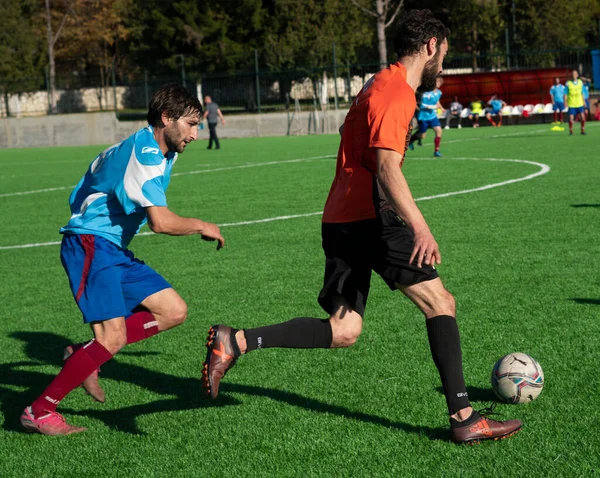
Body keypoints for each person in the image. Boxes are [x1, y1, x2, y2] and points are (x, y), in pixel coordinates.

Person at [201, 9, 522, 445]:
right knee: (440, 301)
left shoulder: (377, 82)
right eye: (444, 54)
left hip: (341, 216)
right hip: (373, 216)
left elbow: (349, 129)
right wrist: (420, 227)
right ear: (430, 47)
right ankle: (464, 417)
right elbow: (388, 169)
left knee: (344, 329)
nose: (443, 65)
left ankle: (234, 341)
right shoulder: (396, 94)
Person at [20, 84, 225, 436]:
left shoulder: (158, 149)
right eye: (191, 124)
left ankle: (84, 354)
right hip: (90, 243)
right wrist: (202, 225)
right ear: (166, 118)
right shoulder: (144, 154)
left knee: (172, 310)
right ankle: (39, 410)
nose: (196, 133)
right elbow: (160, 222)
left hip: (111, 247)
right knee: (111, 339)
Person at [408, 77, 445, 157]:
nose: (438, 84)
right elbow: (418, 102)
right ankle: (411, 140)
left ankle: (436, 151)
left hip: (432, 116)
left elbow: (437, 101)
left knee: (439, 131)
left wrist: (441, 108)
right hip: (423, 116)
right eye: (437, 82)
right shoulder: (424, 92)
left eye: (439, 83)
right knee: (422, 135)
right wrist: (418, 107)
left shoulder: (439, 93)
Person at [565, 70, 586, 135]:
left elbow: (582, 93)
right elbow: (565, 94)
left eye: (575, 74)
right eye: (572, 74)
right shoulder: (568, 83)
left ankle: (582, 130)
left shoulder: (580, 82)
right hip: (572, 104)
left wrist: (584, 101)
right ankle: (571, 130)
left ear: (577, 75)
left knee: (583, 117)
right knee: (571, 118)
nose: (573, 75)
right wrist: (565, 102)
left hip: (580, 103)